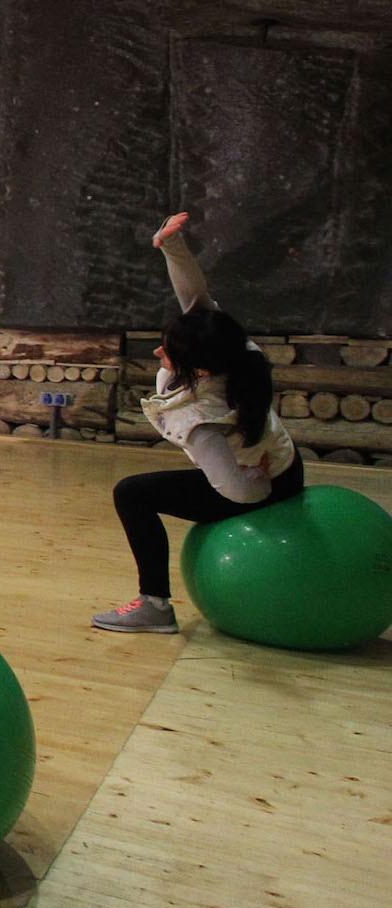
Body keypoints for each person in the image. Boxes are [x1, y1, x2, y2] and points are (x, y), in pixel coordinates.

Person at [92, 212, 301, 634]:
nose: (157, 354)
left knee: (131, 494)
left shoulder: (201, 421)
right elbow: (195, 297)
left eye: (167, 353)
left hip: (260, 482)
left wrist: (256, 485)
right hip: (284, 462)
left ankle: (155, 606)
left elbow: (235, 490)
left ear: (199, 371)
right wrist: (171, 245)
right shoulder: (235, 349)